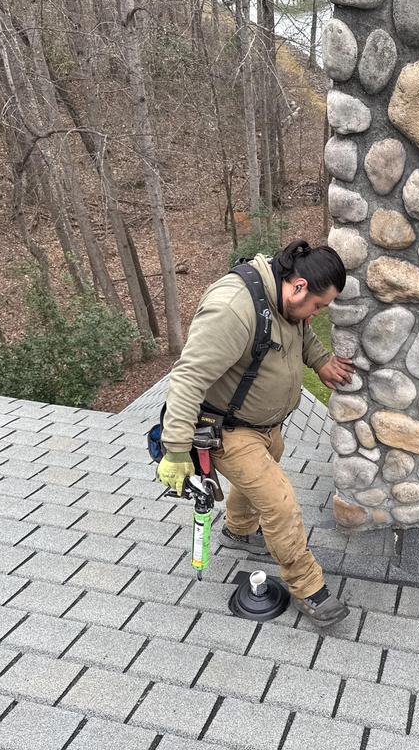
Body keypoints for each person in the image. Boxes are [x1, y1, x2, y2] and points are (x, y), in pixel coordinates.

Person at [156, 240, 355, 627]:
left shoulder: (285, 298)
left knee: (255, 486)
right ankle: (309, 589)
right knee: (280, 503)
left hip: (265, 427)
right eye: (318, 305)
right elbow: (188, 378)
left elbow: (301, 332)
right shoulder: (234, 308)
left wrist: (321, 362)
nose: (317, 313)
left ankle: (240, 529)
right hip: (226, 430)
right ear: (298, 286)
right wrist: (176, 451)